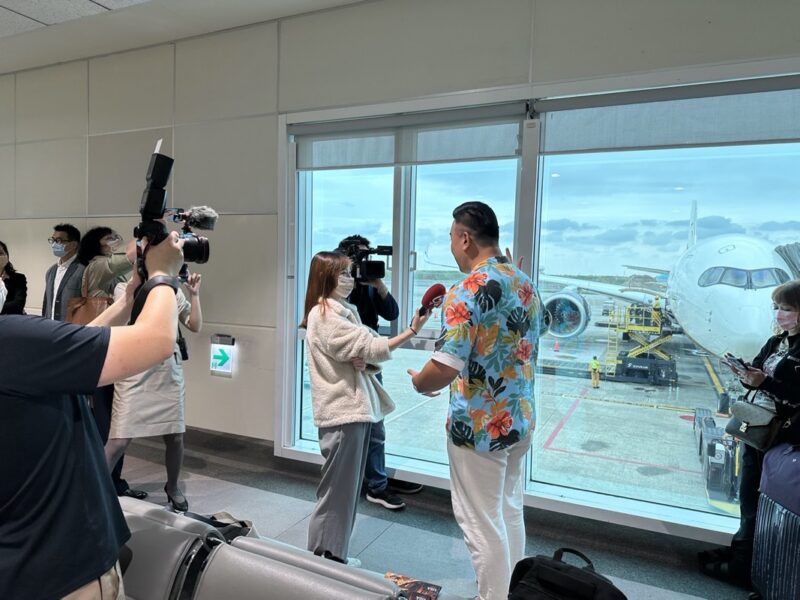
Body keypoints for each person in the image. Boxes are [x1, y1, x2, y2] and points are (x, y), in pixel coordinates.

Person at [0, 231, 186, 600]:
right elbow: (157, 341)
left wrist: (126, 302)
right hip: (68, 568)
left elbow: (68, 349)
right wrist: (163, 274)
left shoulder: (18, 347)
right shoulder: (11, 339)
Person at [409, 201, 543, 600]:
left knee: (481, 524)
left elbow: (445, 366)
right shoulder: (524, 282)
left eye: (452, 238)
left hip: (480, 429)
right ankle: (513, 591)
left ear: (465, 239)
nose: (452, 246)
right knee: (508, 509)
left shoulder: (467, 290)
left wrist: (420, 382)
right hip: (520, 420)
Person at [301, 251, 430, 565]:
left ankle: (332, 553)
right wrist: (412, 331)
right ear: (326, 277)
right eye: (343, 273)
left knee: (343, 491)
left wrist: (365, 361)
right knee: (338, 492)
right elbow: (371, 345)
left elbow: (362, 351)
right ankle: (325, 557)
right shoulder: (326, 315)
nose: (351, 279)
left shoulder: (341, 310)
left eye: (350, 272)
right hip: (343, 412)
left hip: (350, 411)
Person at [699, 279, 800, 589]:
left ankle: (745, 567)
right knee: (747, 495)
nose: (779, 314)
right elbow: (757, 374)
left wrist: (763, 382)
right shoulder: (776, 342)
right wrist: (744, 373)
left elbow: (795, 395)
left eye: (786, 308)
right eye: (777, 307)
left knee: (758, 500)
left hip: (780, 436)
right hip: (756, 428)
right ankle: (741, 552)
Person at [337, 235, 423, 511]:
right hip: (351, 364)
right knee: (362, 428)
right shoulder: (338, 289)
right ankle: (375, 485)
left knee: (376, 425)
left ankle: (377, 478)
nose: (365, 264)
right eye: (360, 259)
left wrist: (379, 285)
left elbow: (392, 313)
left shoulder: (371, 285)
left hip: (370, 362)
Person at [105, 272, 203, 512]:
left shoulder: (173, 290)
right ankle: (95, 490)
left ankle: (173, 487)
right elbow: (125, 323)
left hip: (167, 369)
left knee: (175, 436)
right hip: (133, 367)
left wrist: (194, 295)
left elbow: (194, 325)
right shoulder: (124, 288)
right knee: (119, 439)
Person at [78, 226, 147, 500]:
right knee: (108, 423)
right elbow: (129, 257)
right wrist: (147, 236)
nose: (115, 241)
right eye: (110, 238)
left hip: (110, 350)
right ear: (95, 244)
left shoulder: (109, 271)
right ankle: (102, 483)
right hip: (101, 352)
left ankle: (110, 480)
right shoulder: (98, 266)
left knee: (111, 422)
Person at [43, 223, 85, 321]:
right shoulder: (51, 271)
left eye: (58, 241)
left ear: (74, 245)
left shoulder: (83, 270)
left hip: (72, 327)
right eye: (53, 240)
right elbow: (46, 303)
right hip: (51, 326)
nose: (54, 244)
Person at [0, 240, 27, 315]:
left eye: (0, 253)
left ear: (7, 256)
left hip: (11, 319)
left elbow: (18, 305)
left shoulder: (18, 278)